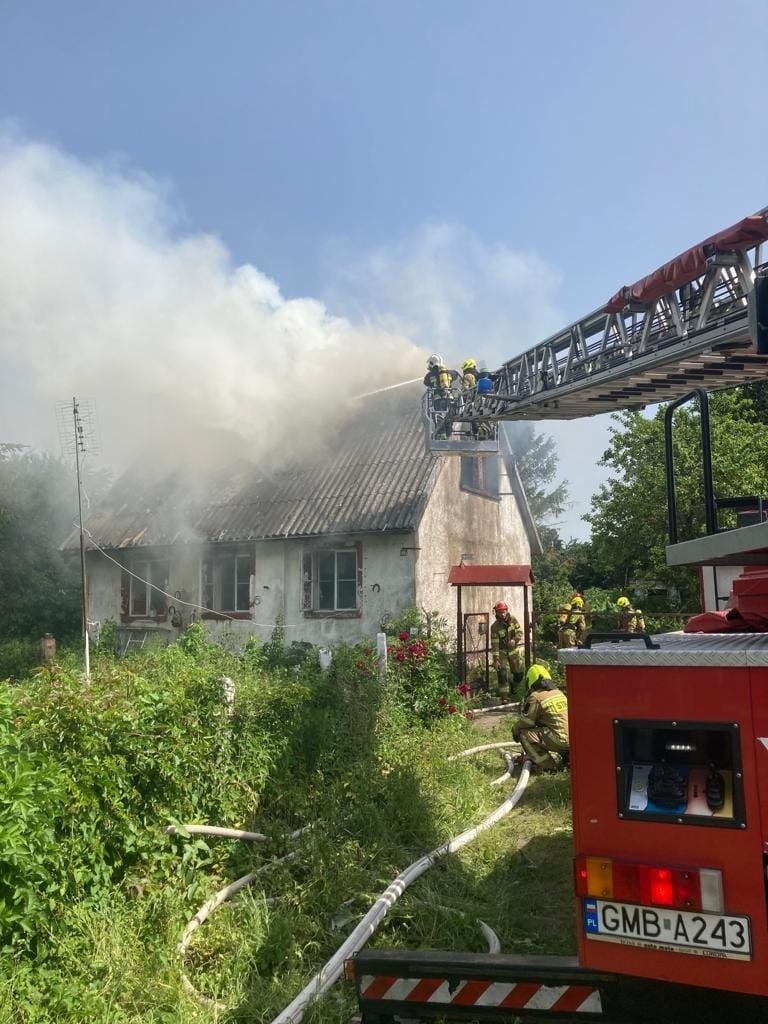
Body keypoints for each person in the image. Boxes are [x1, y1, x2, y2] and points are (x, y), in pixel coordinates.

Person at [512, 663, 569, 773]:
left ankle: (548, 767)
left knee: (524, 734)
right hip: (574, 740)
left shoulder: (536, 697)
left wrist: (514, 730)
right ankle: (568, 758)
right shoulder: (559, 693)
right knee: (554, 728)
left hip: (559, 740)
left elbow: (527, 722)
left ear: (530, 681)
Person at [490, 600, 524, 695]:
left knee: (519, 674)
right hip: (502, 652)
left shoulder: (513, 619)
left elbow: (519, 631)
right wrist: (496, 659)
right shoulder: (494, 627)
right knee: (502, 674)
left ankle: (513, 684)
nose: (503, 614)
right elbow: (495, 644)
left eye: (504, 611)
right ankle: (504, 697)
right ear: (496, 612)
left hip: (514, 651)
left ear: (506, 611)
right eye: (500, 612)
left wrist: (515, 640)